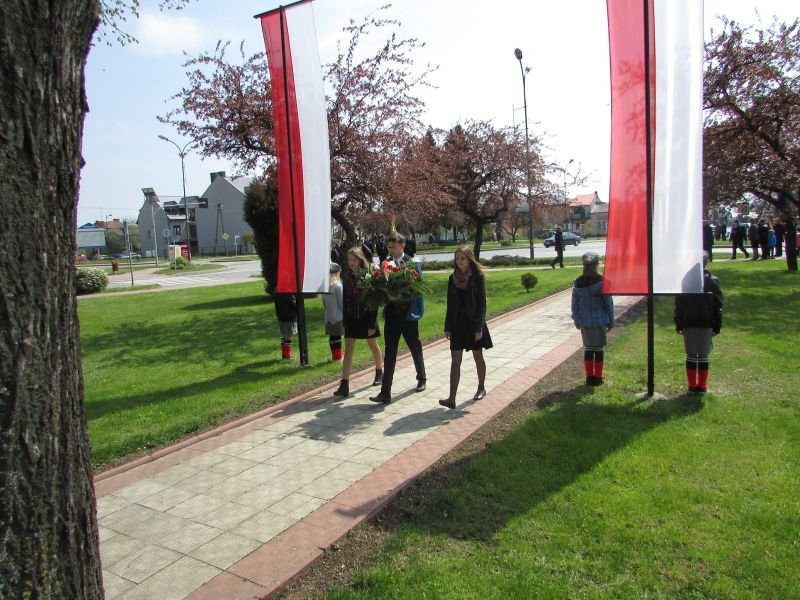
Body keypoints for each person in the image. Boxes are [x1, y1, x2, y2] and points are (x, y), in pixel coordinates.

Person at [370, 232, 426, 404]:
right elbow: (381, 285)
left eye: (394, 246)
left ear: (403, 245)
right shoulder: (386, 263)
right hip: (392, 314)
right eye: (389, 246)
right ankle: (385, 392)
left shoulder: (412, 263)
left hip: (407, 313)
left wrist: (399, 296)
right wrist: (382, 296)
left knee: (414, 346)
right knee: (390, 352)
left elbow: (417, 289)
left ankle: (421, 377)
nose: (391, 249)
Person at [439, 246, 493, 409]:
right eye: (457, 258)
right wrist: (447, 326)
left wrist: (479, 327)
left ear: (469, 259)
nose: (459, 261)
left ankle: (481, 387)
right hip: (457, 324)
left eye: (462, 258)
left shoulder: (477, 277)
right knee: (455, 360)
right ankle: (451, 398)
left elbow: (482, 304)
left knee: (478, 356)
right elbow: (450, 304)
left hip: (473, 323)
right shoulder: (452, 278)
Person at [333, 248, 384, 397]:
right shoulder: (347, 276)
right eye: (349, 260)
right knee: (349, 348)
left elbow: (374, 301)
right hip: (351, 317)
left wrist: (372, 324)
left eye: (354, 260)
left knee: (372, 344)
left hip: (367, 317)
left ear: (361, 260)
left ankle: (379, 372)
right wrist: (344, 320)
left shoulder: (369, 275)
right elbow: (345, 300)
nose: (351, 263)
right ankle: (344, 384)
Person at [674, 251, 723, 394]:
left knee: (690, 354)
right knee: (703, 355)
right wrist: (717, 325)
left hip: (688, 322)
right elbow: (717, 305)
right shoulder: (713, 281)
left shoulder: (685, 281)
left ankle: (691, 385)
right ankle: (702, 386)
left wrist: (678, 322)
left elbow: (679, 305)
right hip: (706, 322)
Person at [571, 252, 614, 386]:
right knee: (599, 349)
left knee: (588, 349)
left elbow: (574, 304)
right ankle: (598, 378)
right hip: (600, 321)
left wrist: (577, 319)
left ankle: (589, 377)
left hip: (585, 321)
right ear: (597, 264)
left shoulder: (578, 282)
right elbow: (608, 303)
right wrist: (611, 320)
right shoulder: (603, 282)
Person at [322, 263, 344, 362]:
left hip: (329, 316)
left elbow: (324, 303)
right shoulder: (338, 286)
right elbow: (341, 303)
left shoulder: (326, 287)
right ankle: (338, 356)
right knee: (337, 336)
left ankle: (334, 356)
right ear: (337, 273)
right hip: (338, 317)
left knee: (332, 337)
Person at [274, 293, 297, 360]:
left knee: (284, 335)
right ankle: (287, 355)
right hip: (289, 317)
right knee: (288, 336)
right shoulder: (288, 293)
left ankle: (284, 354)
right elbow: (294, 305)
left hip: (281, 316)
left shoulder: (278, 293)